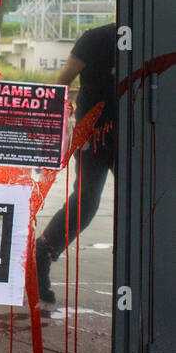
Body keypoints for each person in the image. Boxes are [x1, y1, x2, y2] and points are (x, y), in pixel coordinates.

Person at [33, 21, 117, 306]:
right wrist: (47, 133)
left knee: (141, 202)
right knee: (87, 200)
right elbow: (63, 81)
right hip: (92, 132)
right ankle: (44, 251)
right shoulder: (96, 38)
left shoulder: (151, 36)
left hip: (133, 135)